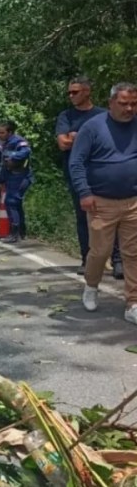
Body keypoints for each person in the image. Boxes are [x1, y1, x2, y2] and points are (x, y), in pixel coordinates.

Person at [69, 82, 137, 323]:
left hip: (132, 201)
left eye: (133, 103)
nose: (129, 108)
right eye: (123, 103)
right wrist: (84, 192)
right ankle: (91, 285)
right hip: (100, 202)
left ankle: (133, 302)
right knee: (100, 252)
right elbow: (76, 162)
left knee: (133, 253)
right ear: (111, 103)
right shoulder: (93, 127)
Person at [56, 76, 122, 277]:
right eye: (69, 92)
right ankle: (87, 258)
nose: (71, 95)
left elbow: (113, 142)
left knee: (116, 216)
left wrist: (77, 136)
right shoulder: (66, 116)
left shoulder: (103, 115)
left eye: (75, 92)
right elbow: (63, 143)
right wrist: (75, 138)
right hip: (78, 174)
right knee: (83, 217)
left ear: (87, 92)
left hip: (104, 175)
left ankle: (118, 260)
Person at [0, 120, 32, 244]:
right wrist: (1, 179)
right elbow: (4, 164)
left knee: (11, 202)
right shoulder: (5, 143)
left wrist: (12, 156)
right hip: (11, 176)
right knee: (16, 204)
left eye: (2, 132)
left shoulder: (18, 141)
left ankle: (15, 233)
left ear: (10, 132)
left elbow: (26, 151)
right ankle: (21, 231)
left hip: (21, 177)